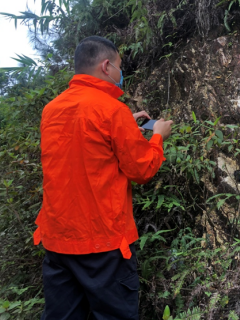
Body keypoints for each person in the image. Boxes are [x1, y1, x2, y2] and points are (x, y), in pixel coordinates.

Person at [33, 36, 173, 320]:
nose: (121, 73)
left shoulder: (52, 110)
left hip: (58, 241)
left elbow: (83, 141)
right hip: (102, 244)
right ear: (106, 66)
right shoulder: (111, 110)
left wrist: (125, 123)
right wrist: (157, 135)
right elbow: (142, 170)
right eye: (120, 66)